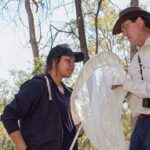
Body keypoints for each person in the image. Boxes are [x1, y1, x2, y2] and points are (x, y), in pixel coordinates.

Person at [1, 43, 84, 150]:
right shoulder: (37, 86)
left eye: (73, 62)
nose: (72, 65)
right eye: (68, 60)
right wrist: (23, 148)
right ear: (54, 61)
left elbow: (74, 131)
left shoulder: (69, 94)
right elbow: (8, 115)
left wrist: (80, 127)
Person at [112, 6, 150, 150]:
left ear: (139, 21)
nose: (124, 34)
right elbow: (137, 92)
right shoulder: (135, 61)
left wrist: (126, 84)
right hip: (139, 125)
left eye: (126, 27)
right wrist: (121, 90)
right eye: (122, 30)